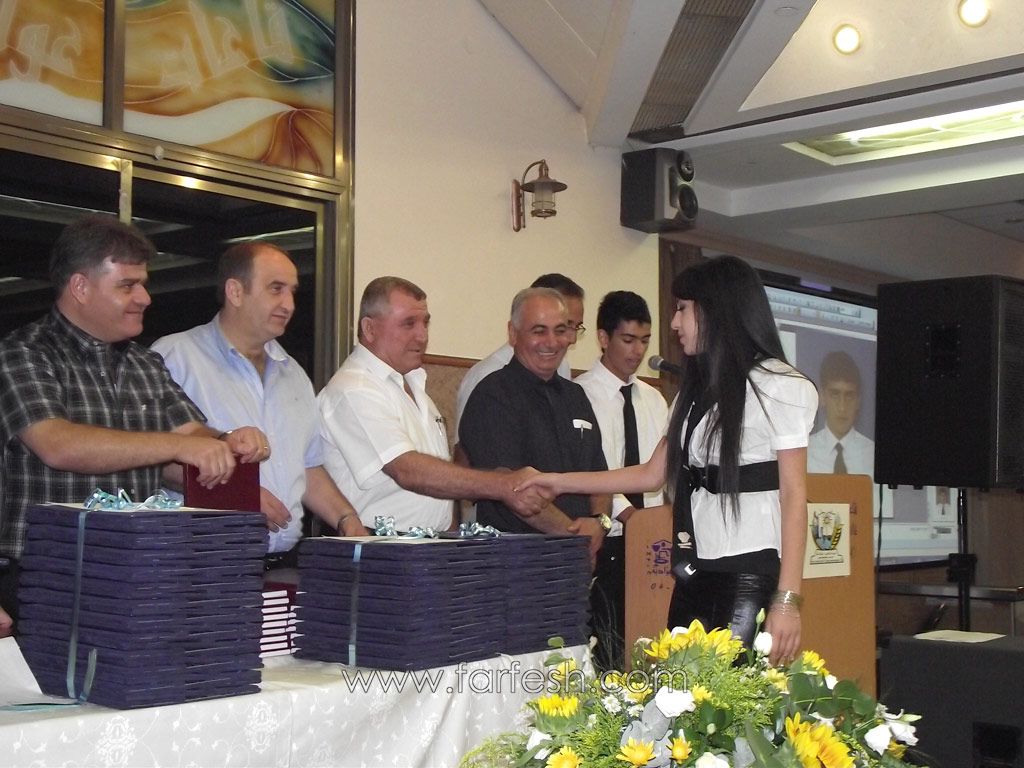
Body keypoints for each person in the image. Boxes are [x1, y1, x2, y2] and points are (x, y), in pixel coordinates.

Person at [517, 256, 817, 665]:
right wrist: (557, 481)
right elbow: (651, 473)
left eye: (682, 309)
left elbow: (794, 495)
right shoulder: (696, 390)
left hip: (750, 570)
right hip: (696, 567)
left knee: (729, 694)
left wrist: (787, 600)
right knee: (677, 686)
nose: (675, 324)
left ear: (714, 310)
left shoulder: (780, 386)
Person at [0, 215, 265, 625]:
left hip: (137, 573)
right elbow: (58, 444)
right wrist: (183, 446)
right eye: (127, 285)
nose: (144, 298)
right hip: (47, 579)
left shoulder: (145, 363)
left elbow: (191, 433)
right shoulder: (24, 354)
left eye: (143, 283)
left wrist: (228, 442)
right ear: (80, 287)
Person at [152, 242, 369, 567]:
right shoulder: (175, 357)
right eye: (276, 289)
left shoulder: (294, 374)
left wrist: (346, 518)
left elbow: (307, 467)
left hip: (281, 563)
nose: (289, 304)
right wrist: (238, 495)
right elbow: (152, 462)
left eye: (292, 292)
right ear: (236, 292)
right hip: (200, 562)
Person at [317, 277, 552, 533]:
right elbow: (408, 471)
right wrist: (503, 485)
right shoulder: (355, 389)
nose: (422, 335)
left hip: (425, 544)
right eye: (409, 323)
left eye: (425, 322)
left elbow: (436, 494)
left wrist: (451, 540)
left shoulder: (414, 386)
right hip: (374, 542)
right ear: (370, 329)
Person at [459, 287, 609, 557]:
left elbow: (599, 477)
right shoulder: (493, 395)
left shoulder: (576, 396)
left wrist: (600, 523)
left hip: (579, 557)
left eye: (560, 330)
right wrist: (575, 537)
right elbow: (513, 489)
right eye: (539, 331)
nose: (552, 342)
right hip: (516, 561)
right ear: (513, 333)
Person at [574, 290, 669, 669]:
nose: (637, 351)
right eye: (628, 340)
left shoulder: (654, 399)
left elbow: (663, 471)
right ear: (603, 337)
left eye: (644, 341)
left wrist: (660, 522)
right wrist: (632, 517)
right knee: (611, 648)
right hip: (610, 539)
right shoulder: (580, 394)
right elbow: (594, 470)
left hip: (654, 542)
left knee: (654, 647)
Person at [454, 273, 585, 436]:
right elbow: (465, 447)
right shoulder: (487, 378)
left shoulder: (562, 369)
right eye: (567, 326)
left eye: (572, 327)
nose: (572, 338)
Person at [807, 351, 873, 475]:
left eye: (849, 396)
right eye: (835, 394)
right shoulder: (805, 454)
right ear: (822, 397)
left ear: (858, 401)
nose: (842, 407)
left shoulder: (872, 455)